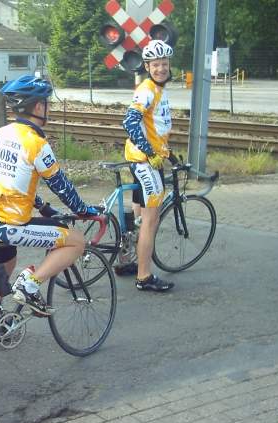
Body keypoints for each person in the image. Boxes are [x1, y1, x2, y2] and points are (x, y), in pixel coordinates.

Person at [0, 75, 100, 316]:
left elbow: (13, 182)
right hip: (10, 225)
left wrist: (43, 207)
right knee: (76, 241)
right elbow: (61, 186)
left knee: (5, 266)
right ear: (37, 106)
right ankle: (30, 284)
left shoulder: (0, 133)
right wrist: (84, 211)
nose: (48, 108)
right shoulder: (35, 142)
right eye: (47, 103)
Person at [121, 39, 176, 292]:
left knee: (140, 212)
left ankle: (127, 259)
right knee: (151, 219)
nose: (161, 68)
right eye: (156, 65)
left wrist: (166, 151)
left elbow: (154, 127)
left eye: (164, 64)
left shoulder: (158, 89)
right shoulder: (147, 89)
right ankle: (144, 276)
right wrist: (150, 152)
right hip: (145, 161)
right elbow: (130, 123)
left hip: (149, 158)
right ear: (147, 66)